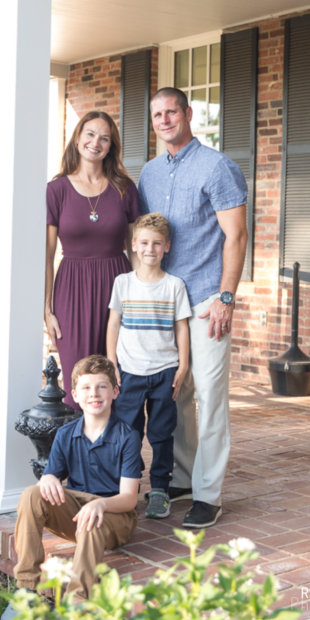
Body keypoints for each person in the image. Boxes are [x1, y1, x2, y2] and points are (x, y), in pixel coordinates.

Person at [138, 87, 249, 529]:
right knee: (175, 395)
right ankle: (183, 477)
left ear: (187, 114)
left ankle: (209, 492)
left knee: (209, 395)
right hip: (166, 303)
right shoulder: (148, 173)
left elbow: (236, 236)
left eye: (171, 112)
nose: (164, 120)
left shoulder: (217, 167)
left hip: (205, 302)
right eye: (157, 115)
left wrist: (226, 297)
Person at [1, 355, 141, 620]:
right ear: (75, 395)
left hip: (115, 515)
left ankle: (78, 603)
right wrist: (48, 478)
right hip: (77, 511)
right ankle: (27, 592)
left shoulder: (127, 437)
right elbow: (51, 476)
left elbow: (129, 499)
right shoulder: (66, 434)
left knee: (93, 519)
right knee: (31, 493)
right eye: (87, 388)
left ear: (115, 391)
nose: (94, 394)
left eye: (102, 386)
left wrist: (100, 504)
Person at [46, 111, 141, 409]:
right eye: (89, 134)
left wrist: (140, 298)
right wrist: (46, 309)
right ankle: (79, 453)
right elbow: (47, 256)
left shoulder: (125, 188)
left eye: (104, 138)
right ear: (77, 139)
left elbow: (136, 250)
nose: (95, 142)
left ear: (111, 146)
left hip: (118, 287)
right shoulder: (56, 189)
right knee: (82, 381)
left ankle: (113, 453)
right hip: (72, 291)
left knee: (117, 380)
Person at [106, 213, 191, 520]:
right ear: (134, 245)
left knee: (161, 434)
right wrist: (112, 363)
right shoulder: (123, 283)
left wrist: (182, 366)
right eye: (144, 243)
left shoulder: (174, 286)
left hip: (164, 371)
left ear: (167, 247)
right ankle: (125, 485)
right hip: (129, 372)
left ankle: (159, 490)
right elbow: (113, 324)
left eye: (156, 243)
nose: (150, 249)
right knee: (127, 432)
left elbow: (181, 328)